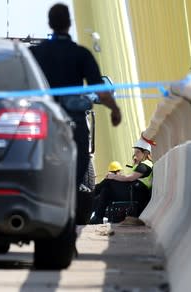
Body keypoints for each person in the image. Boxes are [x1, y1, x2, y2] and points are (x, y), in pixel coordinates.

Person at [29, 3, 122, 188]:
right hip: (73, 120)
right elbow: (100, 90)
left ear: (49, 23)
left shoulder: (34, 53)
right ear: (69, 24)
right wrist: (114, 109)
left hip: (41, 119)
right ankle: (74, 197)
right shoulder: (81, 54)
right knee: (80, 164)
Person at [90, 139, 154, 224]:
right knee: (106, 191)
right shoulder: (142, 164)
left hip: (136, 194)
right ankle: (97, 217)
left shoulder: (145, 165)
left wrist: (114, 176)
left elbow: (130, 178)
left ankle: (91, 194)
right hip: (134, 192)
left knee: (108, 182)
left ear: (145, 153)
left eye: (138, 152)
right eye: (135, 152)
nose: (135, 154)